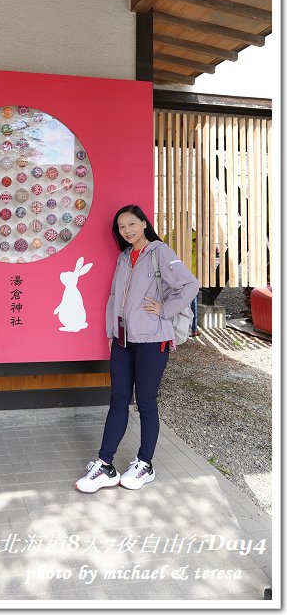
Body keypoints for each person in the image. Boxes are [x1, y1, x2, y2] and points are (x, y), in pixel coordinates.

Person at [75, 204, 199, 493]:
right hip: (123, 340)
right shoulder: (123, 257)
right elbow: (114, 295)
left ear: (144, 223)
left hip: (153, 341)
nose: (127, 230)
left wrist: (165, 309)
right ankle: (105, 465)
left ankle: (145, 464)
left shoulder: (160, 252)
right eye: (121, 227)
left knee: (145, 402)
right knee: (118, 401)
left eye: (131, 224)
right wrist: (110, 331)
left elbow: (190, 285)